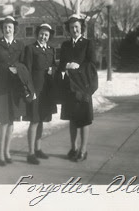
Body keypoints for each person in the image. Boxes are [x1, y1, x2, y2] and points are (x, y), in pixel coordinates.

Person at [0, 16, 33, 166]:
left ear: (14, 29)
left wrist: (17, 69)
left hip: (15, 87)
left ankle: (7, 151)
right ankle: (0, 154)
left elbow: (24, 66)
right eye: (5, 27)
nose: (7, 29)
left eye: (10, 27)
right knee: (3, 120)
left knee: (11, 120)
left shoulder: (20, 44)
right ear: (2, 29)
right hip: (0, 86)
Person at [58, 14, 98, 162]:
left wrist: (78, 67)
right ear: (68, 29)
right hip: (69, 87)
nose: (74, 29)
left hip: (83, 86)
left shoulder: (88, 44)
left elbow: (93, 64)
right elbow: (61, 63)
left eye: (76, 27)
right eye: (71, 27)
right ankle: (73, 148)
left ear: (81, 28)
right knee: (73, 119)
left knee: (84, 120)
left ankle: (83, 150)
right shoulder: (65, 45)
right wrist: (66, 66)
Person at [23, 23, 57, 165]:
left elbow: (54, 66)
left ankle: (38, 149)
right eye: (42, 34)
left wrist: (52, 70)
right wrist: (30, 91)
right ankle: (30, 153)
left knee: (41, 119)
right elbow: (27, 71)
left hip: (46, 91)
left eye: (46, 35)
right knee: (34, 120)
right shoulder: (30, 49)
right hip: (35, 91)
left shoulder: (51, 50)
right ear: (38, 34)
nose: (44, 37)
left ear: (49, 37)